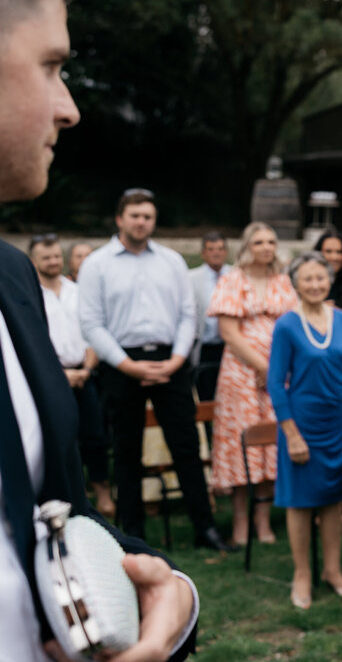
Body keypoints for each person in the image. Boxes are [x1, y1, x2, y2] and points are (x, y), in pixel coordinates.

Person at [0, 0, 196, 660]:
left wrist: (171, 599)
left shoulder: (12, 280)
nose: (70, 108)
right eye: (51, 65)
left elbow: (57, 512)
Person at [77, 188, 233, 552]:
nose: (141, 222)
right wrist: (128, 365)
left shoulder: (172, 261)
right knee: (127, 450)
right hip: (121, 363)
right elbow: (91, 323)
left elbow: (187, 313)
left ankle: (205, 528)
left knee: (187, 446)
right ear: (120, 219)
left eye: (147, 216)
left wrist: (176, 360)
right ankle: (133, 536)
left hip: (171, 361)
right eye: (134, 215)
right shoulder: (98, 264)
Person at [267, 251, 342, 609]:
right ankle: (302, 574)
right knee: (299, 502)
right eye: (307, 279)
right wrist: (291, 434)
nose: (314, 284)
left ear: (329, 280)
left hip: (339, 422)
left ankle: (333, 570)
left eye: (320, 278)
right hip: (302, 425)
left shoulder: (341, 319)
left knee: (333, 499)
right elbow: (276, 384)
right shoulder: (286, 325)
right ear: (295, 283)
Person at [208, 222, 298, 546]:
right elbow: (229, 333)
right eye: (259, 241)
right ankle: (241, 523)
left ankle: (263, 521)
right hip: (241, 374)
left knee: (270, 441)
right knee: (242, 443)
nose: (266, 247)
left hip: (277, 373)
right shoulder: (232, 279)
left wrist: (276, 369)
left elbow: (291, 324)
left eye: (271, 241)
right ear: (247, 245)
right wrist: (263, 366)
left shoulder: (282, 280)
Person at [29, 233, 115, 517]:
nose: (53, 262)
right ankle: (70, 497)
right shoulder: (29, 296)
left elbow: (92, 329)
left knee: (95, 435)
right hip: (50, 377)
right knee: (62, 438)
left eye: (56, 256)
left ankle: (103, 493)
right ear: (33, 261)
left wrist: (88, 369)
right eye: (46, 257)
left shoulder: (76, 291)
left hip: (86, 371)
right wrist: (60, 374)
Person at [189, 231, 231, 403]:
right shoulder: (190, 278)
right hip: (204, 347)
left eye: (220, 248)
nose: (216, 253)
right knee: (207, 399)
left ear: (226, 252)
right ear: (203, 253)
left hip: (231, 347)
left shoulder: (237, 275)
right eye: (211, 249)